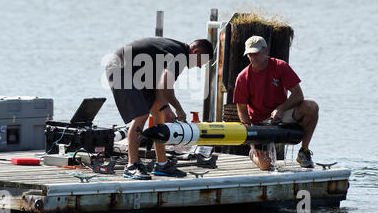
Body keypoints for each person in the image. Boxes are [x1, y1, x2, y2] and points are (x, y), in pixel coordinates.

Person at [105, 37, 214, 179]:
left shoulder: (177, 51)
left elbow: (159, 86)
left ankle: (162, 164)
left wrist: (166, 108)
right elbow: (165, 87)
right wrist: (179, 109)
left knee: (159, 112)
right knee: (141, 115)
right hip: (120, 68)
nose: (199, 66)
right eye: (201, 62)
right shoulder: (180, 56)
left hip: (138, 72)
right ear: (196, 52)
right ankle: (132, 165)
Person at [233, 35, 318, 169]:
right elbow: (241, 110)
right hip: (259, 125)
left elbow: (298, 95)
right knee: (266, 165)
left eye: (256, 54)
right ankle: (253, 154)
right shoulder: (243, 77)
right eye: (250, 55)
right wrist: (251, 140)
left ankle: (304, 151)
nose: (253, 58)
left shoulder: (280, 66)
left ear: (265, 51)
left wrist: (281, 109)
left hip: (281, 117)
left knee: (312, 107)